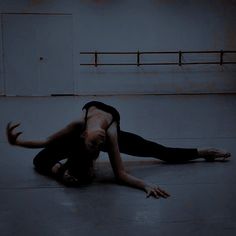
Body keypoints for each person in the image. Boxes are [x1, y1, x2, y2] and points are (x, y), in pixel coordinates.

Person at [6, 101, 231, 199]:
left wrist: (146, 185)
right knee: (41, 159)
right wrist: (17, 143)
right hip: (80, 144)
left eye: (99, 146)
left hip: (88, 141)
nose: (100, 144)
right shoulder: (90, 131)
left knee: (157, 150)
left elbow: (120, 173)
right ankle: (63, 171)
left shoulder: (100, 133)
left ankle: (204, 151)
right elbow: (46, 141)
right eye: (96, 147)